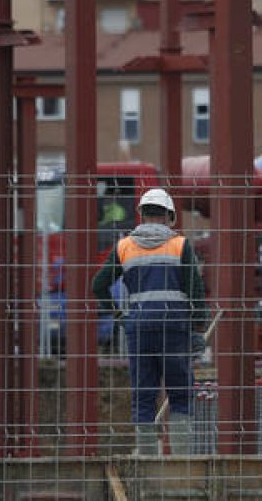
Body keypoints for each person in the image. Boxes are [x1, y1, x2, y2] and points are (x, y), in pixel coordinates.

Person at [92, 188, 206, 455]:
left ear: (141, 215)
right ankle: (181, 464)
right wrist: (198, 327)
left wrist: (120, 317)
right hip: (175, 329)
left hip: (139, 329)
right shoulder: (180, 245)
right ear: (169, 216)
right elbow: (195, 291)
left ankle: (146, 464)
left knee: (144, 397)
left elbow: (98, 284)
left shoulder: (124, 246)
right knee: (180, 395)